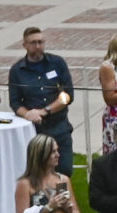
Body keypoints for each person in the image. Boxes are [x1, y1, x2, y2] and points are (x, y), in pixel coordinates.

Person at [8, 27, 77, 173]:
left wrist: (45, 111)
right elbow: (15, 102)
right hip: (34, 131)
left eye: (40, 42)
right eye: (33, 43)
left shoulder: (57, 63)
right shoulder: (17, 71)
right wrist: (28, 114)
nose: (38, 46)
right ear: (25, 45)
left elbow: (67, 96)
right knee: (36, 174)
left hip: (59, 128)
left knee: (64, 172)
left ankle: (62, 190)